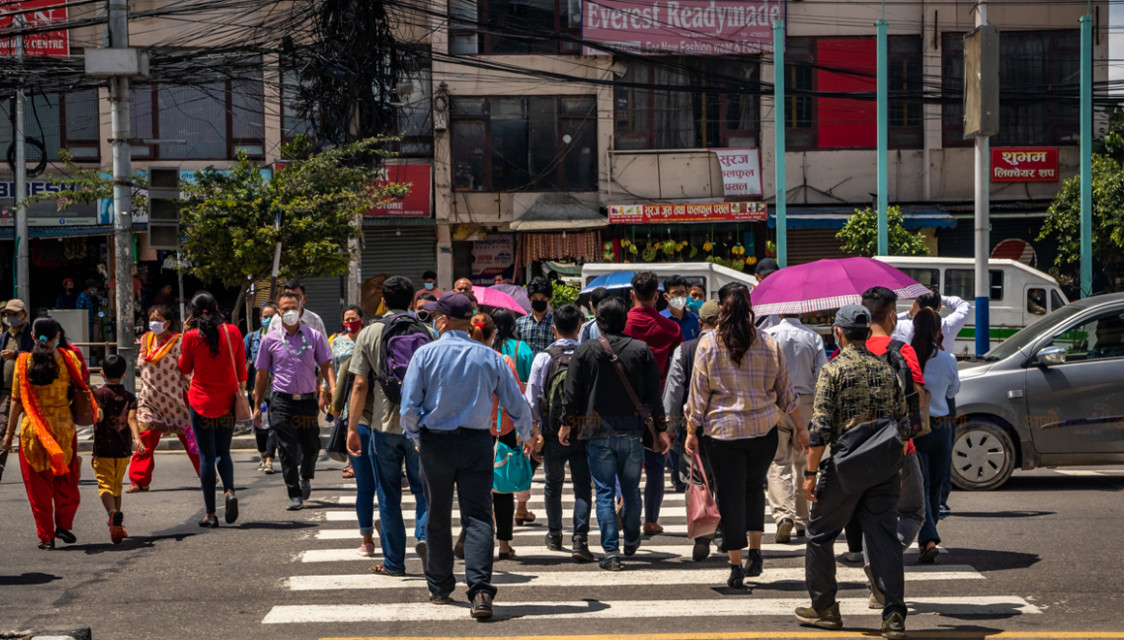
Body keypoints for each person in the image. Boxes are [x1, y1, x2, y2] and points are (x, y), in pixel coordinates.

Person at [400, 291, 535, 619]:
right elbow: (517, 404)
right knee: (477, 516)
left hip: (435, 443)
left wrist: (418, 438)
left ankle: (441, 585)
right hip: (476, 443)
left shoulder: (425, 355)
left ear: (443, 320)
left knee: (437, 515)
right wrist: (527, 434)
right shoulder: (489, 356)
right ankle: (480, 593)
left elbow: (408, 409)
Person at [794, 304, 910, 640]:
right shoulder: (887, 369)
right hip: (884, 467)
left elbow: (820, 428)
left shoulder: (833, 371)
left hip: (846, 467)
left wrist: (811, 473)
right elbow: (904, 423)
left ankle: (825, 608)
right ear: (867, 332)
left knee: (819, 533)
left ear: (839, 333)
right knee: (884, 539)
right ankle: (894, 617)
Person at [684, 284, 800, 588]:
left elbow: (698, 396)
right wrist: (803, 428)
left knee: (730, 496)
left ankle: (735, 566)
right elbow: (786, 395)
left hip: (722, 433)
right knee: (753, 489)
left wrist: (691, 429)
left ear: (721, 308)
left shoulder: (708, 344)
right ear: (750, 307)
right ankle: (756, 552)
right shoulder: (768, 342)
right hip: (763, 432)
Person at [562, 296, 671, 571]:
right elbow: (653, 394)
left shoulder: (585, 351)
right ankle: (632, 537)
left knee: (604, 492)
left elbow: (571, 393)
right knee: (632, 489)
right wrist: (661, 428)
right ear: (625, 321)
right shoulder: (641, 349)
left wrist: (566, 423)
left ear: (597, 322)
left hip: (596, 433)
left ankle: (610, 552)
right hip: (633, 432)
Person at [346, 277, 430, 565]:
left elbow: (359, 384)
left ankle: (394, 562)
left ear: (383, 300)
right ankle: (425, 537)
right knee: (424, 489)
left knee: (388, 494)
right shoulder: (426, 331)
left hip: (383, 425)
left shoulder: (369, 334)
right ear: (411, 301)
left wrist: (352, 427)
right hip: (420, 424)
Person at [2, 317, 91, 549]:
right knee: (66, 480)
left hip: (34, 430)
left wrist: (9, 434)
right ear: (58, 336)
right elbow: (79, 387)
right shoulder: (69, 358)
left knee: (38, 486)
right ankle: (64, 525)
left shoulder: (23, 362)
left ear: (32, 336)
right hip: (63, 428)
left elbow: (16, 401)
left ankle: (47, 537)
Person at [860, 286, 927, 552]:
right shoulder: (903, 350)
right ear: (892, 315)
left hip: (859, 445)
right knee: (912, 511)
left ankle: (870, 561)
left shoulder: (848, 352)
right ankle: (885, 555)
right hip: (899, 444)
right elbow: (918, 397)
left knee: (870, 513)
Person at [466, 311, 538, 561]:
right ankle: (504, 544)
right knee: (502, 489)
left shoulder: (461, 360)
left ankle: (476, 539)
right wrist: (526, 432)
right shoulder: (503, 360)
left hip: (470, 433)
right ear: (493, 334)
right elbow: (517, 398)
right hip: (502, 431)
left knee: (474, 489)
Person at [253, 291, 335, 511]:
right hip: (282, 401)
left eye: (293, 308)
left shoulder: (314, 336)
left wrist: (333, 389)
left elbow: (326, 365)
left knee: (312, 446)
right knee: (287, 449)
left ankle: (306, 475)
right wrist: (257, 405)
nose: (290, 312)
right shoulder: (270, 340)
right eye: (285, 309)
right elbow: (261, 373)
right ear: (279, 313)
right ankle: (294, 493)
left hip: (307, 400)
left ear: (300, 309)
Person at [524, 303, 593, 562]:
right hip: (582, 431)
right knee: (582, 487)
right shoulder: (588, 355)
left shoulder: (544, 357)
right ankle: (580, 539)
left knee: (553, 484)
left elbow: (532, 397)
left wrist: (536, 431)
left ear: (554, 328)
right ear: (579, 327)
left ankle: (554, 534)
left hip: (552, 432)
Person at [178, 291, 245, 527]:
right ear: (217, 308)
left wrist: (186, 333)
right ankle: (229, 491)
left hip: (201, 402)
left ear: (192, 313)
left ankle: (210, 514)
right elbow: (241, 369)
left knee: (206, 456)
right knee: (223, 453)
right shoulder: (233, 332)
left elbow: (184, 367)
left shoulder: (192, 336)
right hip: (227, 401)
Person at [623, 271, 682, 535]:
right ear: (657, 296)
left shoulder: (621, 325)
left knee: (624, 461)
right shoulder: (671, 328)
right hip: (657, 401)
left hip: (623, 402)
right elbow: (677, 368)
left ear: (632, 294)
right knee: (656, 462)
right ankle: (651, 519)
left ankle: (624, 507)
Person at [663, 300, 722, 559]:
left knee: (697, 480)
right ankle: (723, 532)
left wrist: (670, 424)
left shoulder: (685, 349)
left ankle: (702, 533)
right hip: (726, 424)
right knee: (724, 478)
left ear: (700, 323)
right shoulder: (731, 347)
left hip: (693, 425)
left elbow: (675, 389)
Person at [765, 313, 828, 543]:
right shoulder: (813, 337)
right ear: (801, 313)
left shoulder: (769, 336)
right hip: (806, 401)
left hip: (777, 401)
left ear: (780, 312)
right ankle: (803, 520)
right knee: (803, 462)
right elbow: (822, 373)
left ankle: (784, 516)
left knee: (779, 460)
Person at [128, 305, 199, 492]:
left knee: (191, 442)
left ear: (167, 323)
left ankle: (207, 472)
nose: (154, 323)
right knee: (145, 438)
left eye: (158, 320)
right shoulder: (144, 340)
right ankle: (139, 480)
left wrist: (193, 390)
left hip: (175, 399)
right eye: (152, 319)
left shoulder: (178, 341)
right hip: (149, 400)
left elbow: (186, 368)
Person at [911, 308, 960, 564]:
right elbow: (953, 391)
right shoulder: (948, 359)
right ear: (939, 331)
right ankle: (928, 538)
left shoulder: (907, 357)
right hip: (942, 428)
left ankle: (927, 538)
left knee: (921, 485)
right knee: (935, 486)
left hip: (917, 428)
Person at [490, 307, 537, 524]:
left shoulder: (485, 350)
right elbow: (526, 383)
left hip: (487, 419)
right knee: (517, 462)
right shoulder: (521, 348)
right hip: (511, 419)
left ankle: (490, 511)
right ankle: (521, 507)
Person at [92, 354, 141, 544]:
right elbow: (132, 419)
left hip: (104, 447)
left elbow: (98, 417)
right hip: (123, 449)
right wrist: (138, 439)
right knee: (116, 486)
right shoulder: (129, 397)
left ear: (102, 373)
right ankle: (117, 525)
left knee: (105, 485)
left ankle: (112, 514)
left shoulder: (98, 395)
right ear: (125, 374)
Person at [327, 305, 364, 479]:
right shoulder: (337, 342)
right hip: (344, 391)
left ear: (361, 320)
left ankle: (362, 460)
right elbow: (331, 367)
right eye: (347, 319)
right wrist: (328, 390)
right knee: (346, 425)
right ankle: (352, 463)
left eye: (353, 318)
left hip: (365, 389)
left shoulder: (367, 338)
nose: (350, 322)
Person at [1, 299, 35, 474]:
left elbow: (37, 355)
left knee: (34, 431)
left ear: (24, 315)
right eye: (8, 314)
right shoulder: (4, 336)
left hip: (31, 391)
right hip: (8, 391)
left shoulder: (32, 335)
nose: (10, 317)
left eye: (15, 314)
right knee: (3, 428)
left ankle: (40, 468)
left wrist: (16, 355)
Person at [246, 303, 279, 474]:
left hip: (277, 388)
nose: (268, 320)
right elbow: (241, 361)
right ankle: (263, 452)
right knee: (260, 425)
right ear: (260, 319)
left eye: (271, 316)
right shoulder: (252, 338)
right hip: (257, 389)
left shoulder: (282, 337)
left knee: (274, 425)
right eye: (265, 317)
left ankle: (269, 459)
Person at [891, 291, 971, 353]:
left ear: (916, 305)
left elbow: (887, 321)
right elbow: (964, 306)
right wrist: (938, 297)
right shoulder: (948, 325)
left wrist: (909, 314)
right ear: (939, 307)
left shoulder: (903, 326)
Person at [517, 276, 555, 355]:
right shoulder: (519, 323)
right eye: (535, 299)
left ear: (549, 299)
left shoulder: (556, 323)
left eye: (543, 299)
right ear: (529, 299)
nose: (539, 302)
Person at [661, 275, 701, 342]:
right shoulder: (659, 320)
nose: (679, 297)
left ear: (687, 294)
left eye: (682, 293)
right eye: (675, 293)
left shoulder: (695, 319)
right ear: (666, 296)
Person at [754, 259, 781, 330]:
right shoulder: (748, 300)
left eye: (773, 277)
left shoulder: (784, 298)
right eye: (765, 277)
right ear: (757, 277)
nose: (769, 280)